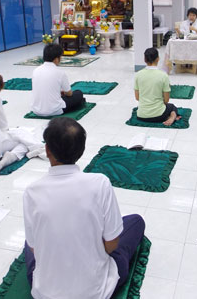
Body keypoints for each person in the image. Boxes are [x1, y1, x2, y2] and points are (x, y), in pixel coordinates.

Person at [23, 118, 146, 299]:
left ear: (47, 150)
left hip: (45, 293)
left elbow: (35, 249)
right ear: (81, 150)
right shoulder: (99, 183)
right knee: (135, 221)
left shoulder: (32, 191)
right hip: (96, 291)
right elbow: (112, 244)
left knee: (30, 242)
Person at [31, 44, 85, 117]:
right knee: (78, 93)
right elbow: (69, 94)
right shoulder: (60, 72)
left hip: (36, 110)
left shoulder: (35, 70)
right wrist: (64, 93)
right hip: (55, 110)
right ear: (56, 59)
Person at [134, 48, 181, 126]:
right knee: (172, 107)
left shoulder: (138, 75)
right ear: (158, 58)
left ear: (144, 59)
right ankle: (172, 117)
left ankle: (168, 116)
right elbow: (166, 100)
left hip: (141, 116)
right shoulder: (163, 75)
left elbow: (137, 97)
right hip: (159, 116)